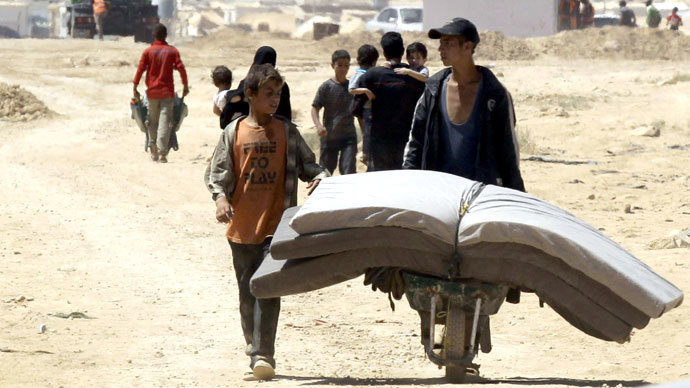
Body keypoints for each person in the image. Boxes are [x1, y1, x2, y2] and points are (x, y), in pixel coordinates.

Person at [403, 17, 525, 349]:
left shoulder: (495, 95)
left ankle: (473, 324)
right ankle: (434, 320)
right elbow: (416, 142)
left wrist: (517, 201)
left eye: (449, 43)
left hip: (481, 196)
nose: (441, 49)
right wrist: (408, 185)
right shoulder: (433, 88)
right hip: (437, 193)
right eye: (440, 43)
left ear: (469, 47)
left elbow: (508, 154)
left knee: (476, 266)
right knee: (429, 265)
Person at [205, 64, 329, 381]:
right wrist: (220, 199)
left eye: (278, 94)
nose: (275, 100)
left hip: (278, 228)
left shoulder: (287, 132)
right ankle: (253, 349)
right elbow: (217, 176)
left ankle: (264, 355)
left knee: (269, 289)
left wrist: (321, 178)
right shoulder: (233, 132)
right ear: (250, 95)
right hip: (242, 229)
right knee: (248, 293)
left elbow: (309, 166)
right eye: (268, 94)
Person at [362, 32, 425, 171]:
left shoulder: (373, 76)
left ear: (383, 53)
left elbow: (359, 109)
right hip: (407, 142)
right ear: (403, 52)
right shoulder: (416, 77)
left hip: (379, 142)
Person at [133, 23, 189, 163]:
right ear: (166, 35)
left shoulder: (148, 52)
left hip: (152, 92)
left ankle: (153, 148)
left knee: (152, 121)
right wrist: (185, 85)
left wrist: (135, 85)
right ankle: (162, 153)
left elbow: (140, 69)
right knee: (165, 122)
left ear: (153, 35)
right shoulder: (172, 51)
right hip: (167, 93)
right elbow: (181, 68)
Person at [219, 46, 291, 129]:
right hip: (275, 129)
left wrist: (229, 95)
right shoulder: (281, 85)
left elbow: (234, 102)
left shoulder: (248, 82)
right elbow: (286, 115)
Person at [311, 50, 358, 175]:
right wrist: (319, 126)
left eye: (347, 65)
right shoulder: (326, 87)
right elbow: (315, 108)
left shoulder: (352, 87)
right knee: (325, 172)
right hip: (330, 136)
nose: (343, 69)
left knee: (348, 171)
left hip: (348, 137)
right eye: (340, 65)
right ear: (333, 65)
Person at [349, 44, 379, 166]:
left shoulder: (366, 72)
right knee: (367, 133)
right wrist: (366, 91)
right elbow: (351, 89)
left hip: (365, 108)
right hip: (365, 108)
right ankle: (366, 154)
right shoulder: (361, 74)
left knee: (366, 132)